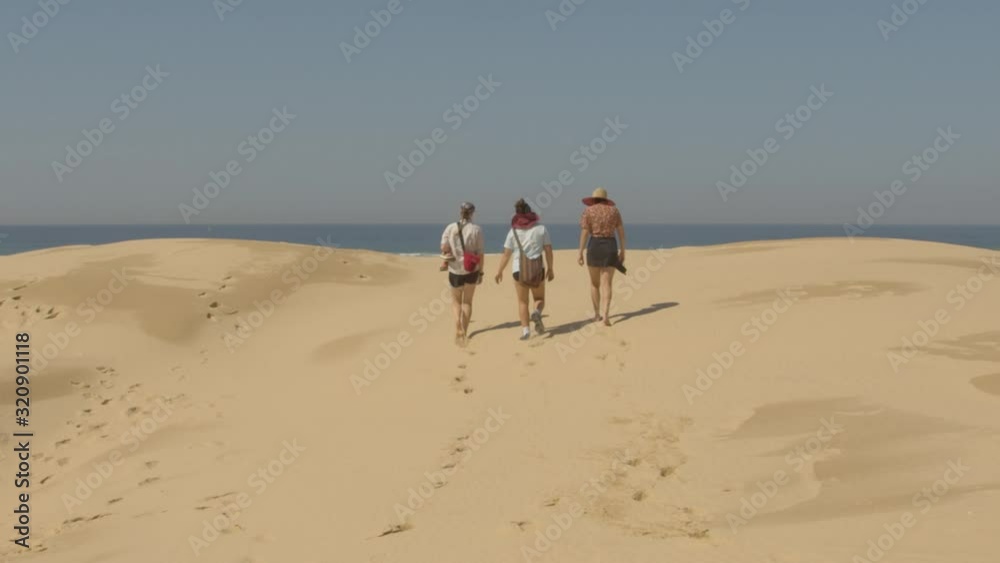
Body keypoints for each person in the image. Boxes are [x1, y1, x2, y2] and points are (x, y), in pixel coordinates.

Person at [494, 199, 555, 340]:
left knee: (522, 302)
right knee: (539, 298)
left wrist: (499, 271)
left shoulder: (513, 232)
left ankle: (526, 331)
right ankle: (537, 312)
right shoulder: (541, 229)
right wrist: (550, 268)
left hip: (518, 270)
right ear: (530, 213)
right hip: (537, 269)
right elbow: (548, 250)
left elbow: (506, 254)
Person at [578, 187, 626, 326]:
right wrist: (623, 251)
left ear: (593, 199)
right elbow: (621, 233)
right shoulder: (614, 211)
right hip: (610, 246)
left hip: (594, 246)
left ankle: (596, 314)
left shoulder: (588, 211)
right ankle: (606, 315)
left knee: (594, 284)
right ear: (606, 199)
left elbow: (585, 233)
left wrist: (580, 252)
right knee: (607, 284)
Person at [440, 202, 484, 345]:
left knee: (456, 302)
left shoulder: (450, 228)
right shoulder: (476, 229)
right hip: (471, 270)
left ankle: (457, 326)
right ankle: (464, 331)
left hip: (455, 270)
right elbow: (480, 253)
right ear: (472, 213)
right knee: (468, 302)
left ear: (460, 212)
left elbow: (443, 247)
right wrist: (481, 272)